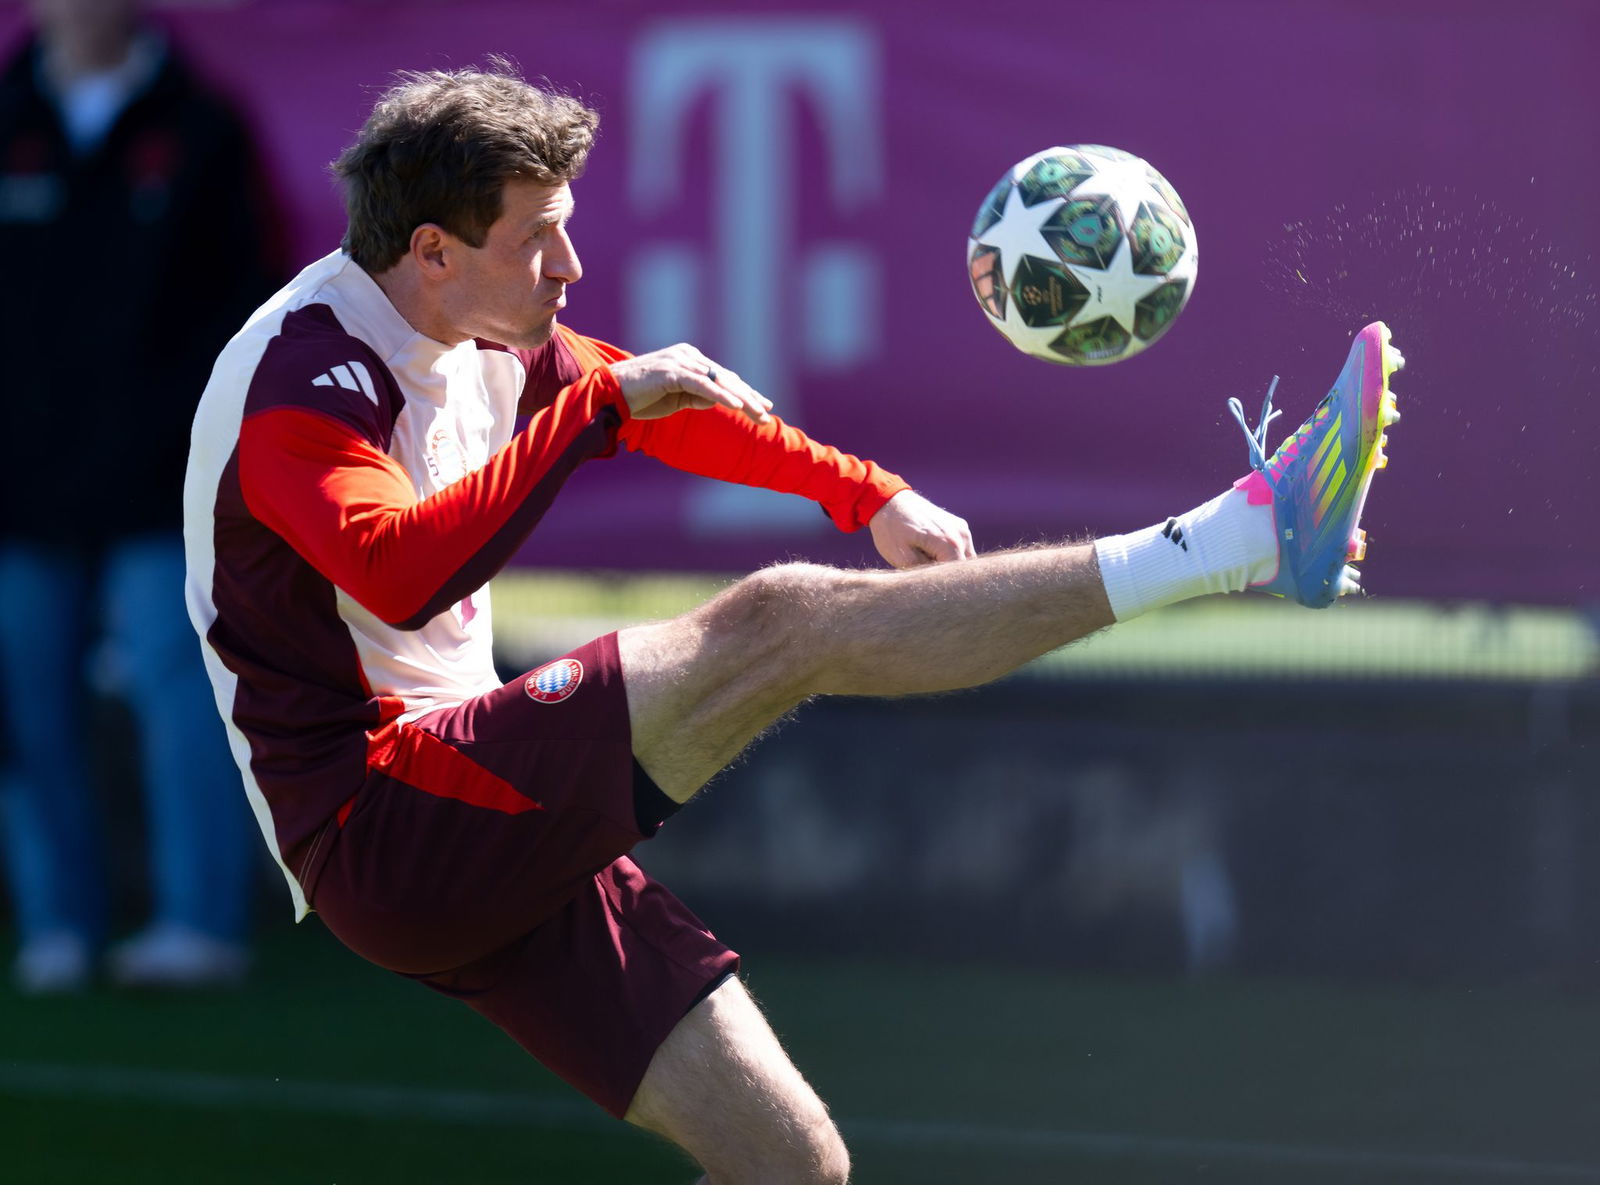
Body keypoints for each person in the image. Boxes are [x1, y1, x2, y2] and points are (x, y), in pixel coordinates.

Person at [183, 63, 1400, 1182]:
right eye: (539, 236)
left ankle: (1247, 543)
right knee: (782, 620)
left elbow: (672, 409)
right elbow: (397, 571)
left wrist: (862, 491)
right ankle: (1240, 538)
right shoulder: (301, 379)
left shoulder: (475, 324)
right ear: (435, 252)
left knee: (794, 1167)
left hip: (473, 810)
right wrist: (595, 410)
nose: (571, 267)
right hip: (387, 816)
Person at [0, 0, 282, 993]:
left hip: (161, 484)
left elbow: (248, 310)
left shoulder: (201, 123)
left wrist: (183, 439)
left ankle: (198, 924)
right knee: (26, 703)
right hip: (20, 491)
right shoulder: (10, 118)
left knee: (182, 690)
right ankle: (57, 927)